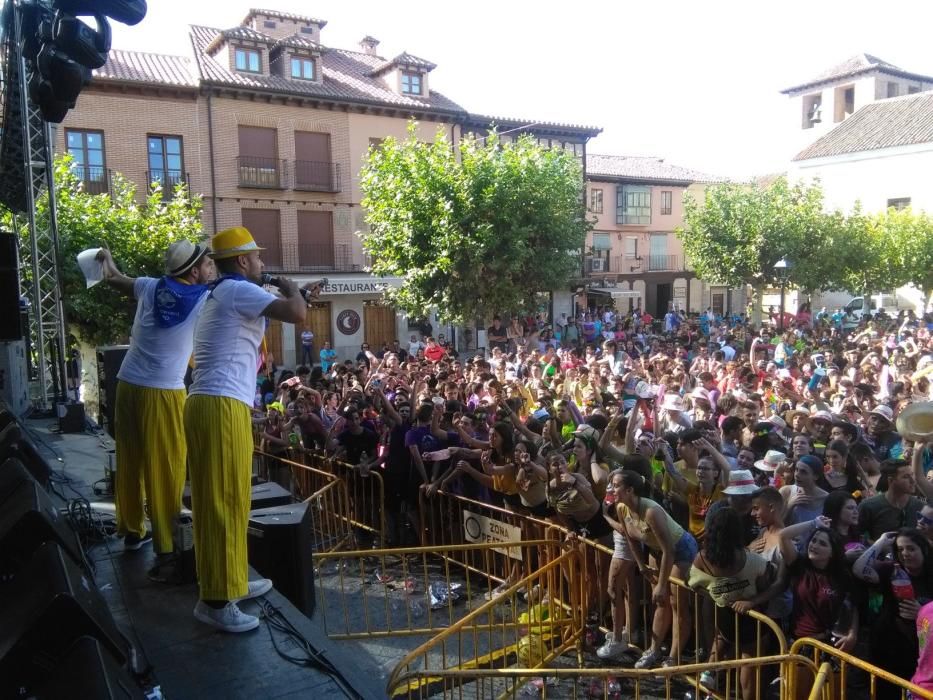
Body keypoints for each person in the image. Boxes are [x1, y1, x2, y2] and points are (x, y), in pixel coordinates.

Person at [184, 226, 318, 633]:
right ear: (242, 261)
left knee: (231, 499)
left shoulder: (223, 293)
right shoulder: (237, 290)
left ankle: (231, 580)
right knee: (223, 502)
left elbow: (282, 310)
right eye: (257, 257)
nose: (262, 263)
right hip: (219, 404)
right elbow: (296, 314)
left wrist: (293, 293)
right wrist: (292, 286)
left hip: (215, 403)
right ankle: (217, 600)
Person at [97, 240, 213, 581]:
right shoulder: (205, 299)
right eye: (207, 265)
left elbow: (114, 278)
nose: (211, 269)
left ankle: (133, 530)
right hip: (162, 392)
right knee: (165, 467)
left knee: (130, 459)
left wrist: (108, 257)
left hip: (127, 384)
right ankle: (165, 547)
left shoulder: (151, 286)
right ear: (193, 272)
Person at [609, 469, 697, 669]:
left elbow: (670, 550)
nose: (612, 489)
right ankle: (654, 649)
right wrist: (642, 567)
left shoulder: (651, 511)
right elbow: (630, 540)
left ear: (630, 490)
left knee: (677, 604)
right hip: (656, 551)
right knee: (660, 602)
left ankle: (674, 658)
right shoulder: (621, 507)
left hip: (679, 550)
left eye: (616, 485)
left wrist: (662, 584)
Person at [689, 507, 777, 699]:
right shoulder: (752, 560)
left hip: (724, 617)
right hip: (751, 620)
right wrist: (750, 600)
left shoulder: (702, 558)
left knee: (721, 640)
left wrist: (718, 592)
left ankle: (709, 677)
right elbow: (765, 587)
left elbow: (694, 585)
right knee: (748, 664)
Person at [854, 529, 933, 700]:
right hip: (887, 646)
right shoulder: (891, 571)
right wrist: (880, 542)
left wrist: (922, 612)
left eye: (911, 548)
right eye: (900, 549)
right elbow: (859, 569)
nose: (905, 553)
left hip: (921, 655)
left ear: (923, 549)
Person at [858, 460, 924, 543]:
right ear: (891, 480)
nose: (913, 481)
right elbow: (855, 535)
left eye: (912, 475)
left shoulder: (920, 507)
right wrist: (878, 546)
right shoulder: (868, 506)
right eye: (906, 477)